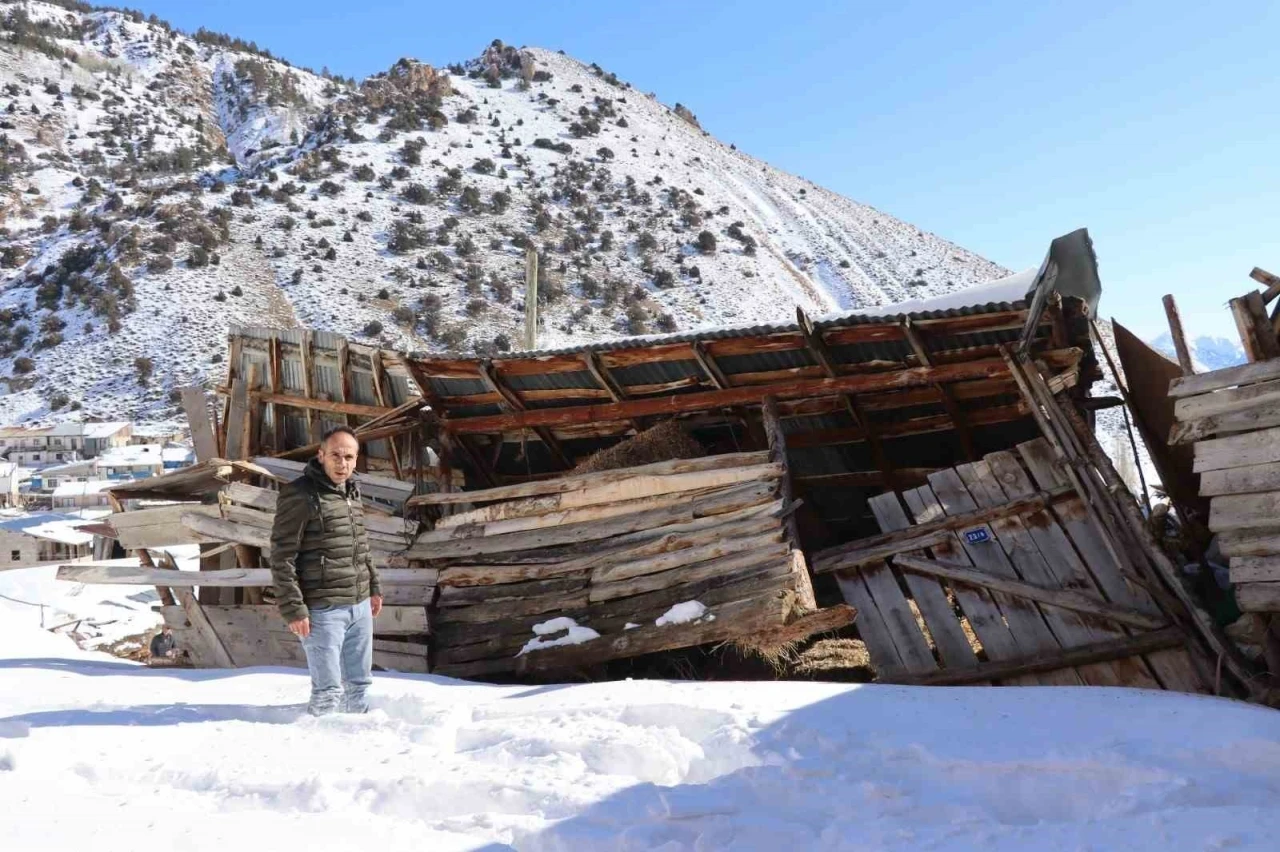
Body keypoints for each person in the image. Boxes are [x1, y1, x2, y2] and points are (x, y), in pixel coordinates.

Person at [270, 426, 382, 715]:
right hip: (323, 608)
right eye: (335, 455)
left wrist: (373, 588)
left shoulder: (351, 492)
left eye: (348, 457)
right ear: (321, 455)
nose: (342, 463)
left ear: (356, 460)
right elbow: (282, 555)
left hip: (359, 606)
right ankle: (321, 746)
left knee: (359, 686)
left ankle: (360, 748)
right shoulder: (300, 494)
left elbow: (361, 545)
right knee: (328, 692)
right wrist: (293, 608)